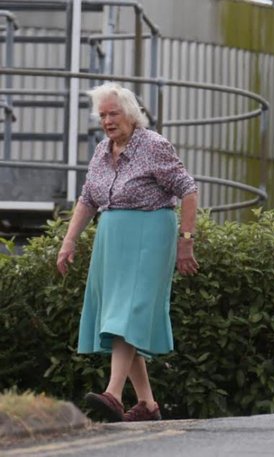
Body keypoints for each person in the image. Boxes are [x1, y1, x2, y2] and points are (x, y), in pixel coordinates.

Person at [56, 82, 199, 422]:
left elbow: (188, 190)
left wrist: (186, 240)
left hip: (149, 234)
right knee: (119, 316)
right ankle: (148, 405)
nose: (107, 120)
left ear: (131, 114)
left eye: (113, 113)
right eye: (102, 114)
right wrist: (69, 240)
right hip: (112, 238)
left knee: (127, 314)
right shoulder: (102, 150)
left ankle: (114, 395)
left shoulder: (154, 145)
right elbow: (88, 198)